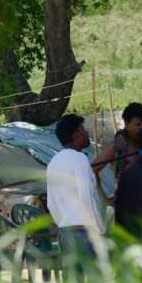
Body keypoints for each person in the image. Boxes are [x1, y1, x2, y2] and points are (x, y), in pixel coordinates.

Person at [47, 114, 107, 274]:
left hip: (66, 232)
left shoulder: (53, 162)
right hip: (86, 232)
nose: (87, 133)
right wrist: (100, 228)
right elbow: (87, 198)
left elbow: (51, 204)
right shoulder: (80, 159)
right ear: (76, 135)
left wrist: (63, 224)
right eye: (84, 129)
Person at [92, 102, 142, 183]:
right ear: (126, 123)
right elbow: (93, 169)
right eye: (138, 125)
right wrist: (101, 195)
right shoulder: (116, 146)